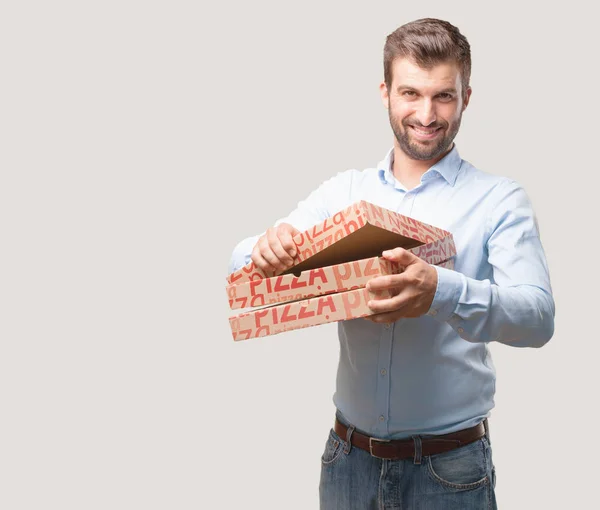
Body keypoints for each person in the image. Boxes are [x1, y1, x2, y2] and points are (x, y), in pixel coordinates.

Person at [228, 18, 554, 510]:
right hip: (347, 463)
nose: (426, 113)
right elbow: (249, 260)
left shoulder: (499, 201)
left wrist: (441, 292)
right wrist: (265, 247)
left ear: (467, 97)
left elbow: (537, 317)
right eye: (411, 93)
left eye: (444, 95)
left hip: (450, 470)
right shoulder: (344, 193)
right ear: (385, 93)